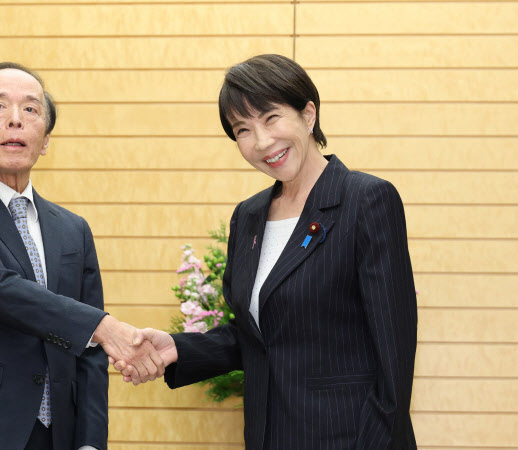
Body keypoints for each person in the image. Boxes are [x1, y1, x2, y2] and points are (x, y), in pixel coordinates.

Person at [114, 54, 418, 449]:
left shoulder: (366, 200)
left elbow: (395, 358)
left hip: (349, 438)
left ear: (308, 114)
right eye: (243, 129)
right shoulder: (248, 216)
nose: (261, 142)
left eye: (271, 118)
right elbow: (260, 336)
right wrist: (179, 348)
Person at [0, 62, 164, 450]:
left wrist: (90, 442)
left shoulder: (73, 229)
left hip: (56, 436)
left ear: (45, 141)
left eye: (31, 109)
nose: (16, 120)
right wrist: (103, 326)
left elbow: (90, 353)